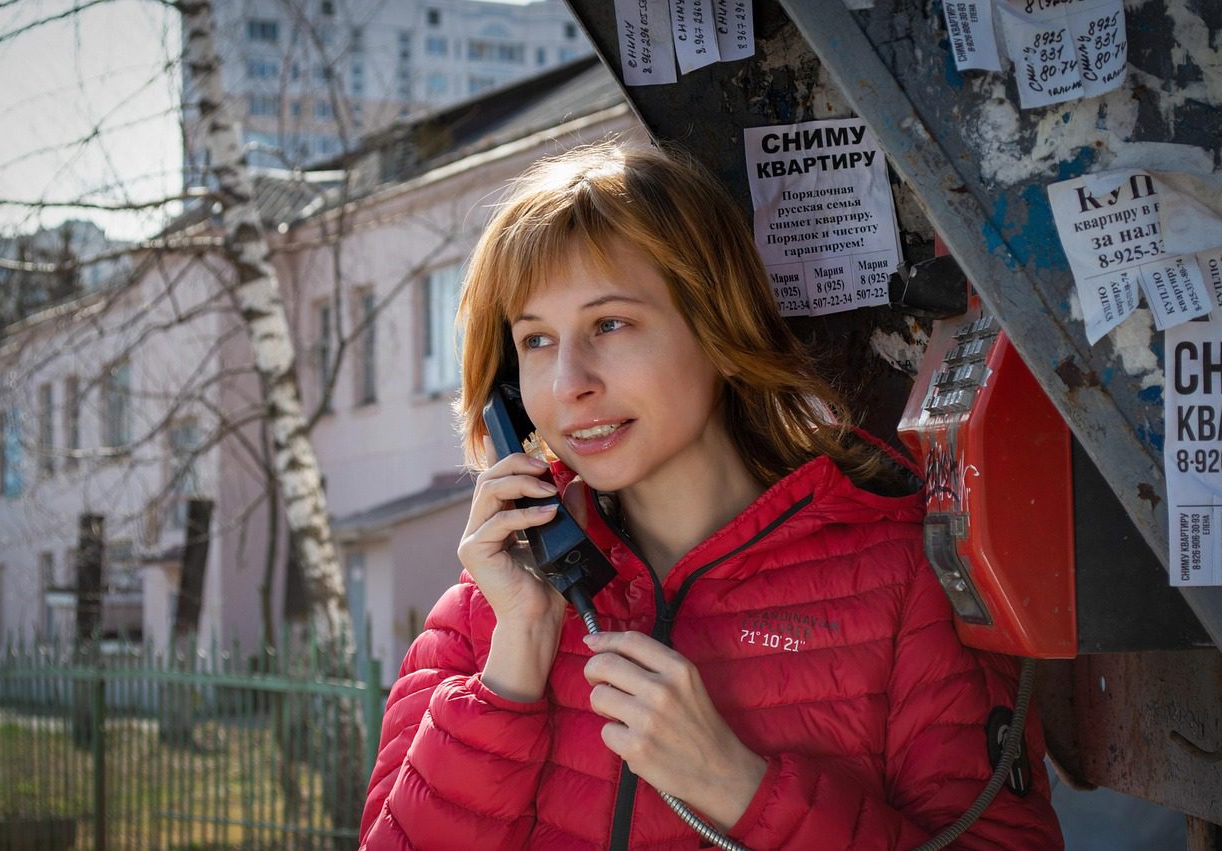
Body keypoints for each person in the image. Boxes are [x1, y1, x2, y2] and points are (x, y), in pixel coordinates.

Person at [358, 141, 1063, 850]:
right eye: (537, 341)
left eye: (610, 324)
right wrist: (510, 669)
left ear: (719, 329)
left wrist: (737, 785)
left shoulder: (906, 582)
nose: (570, 382)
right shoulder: (489, 608)